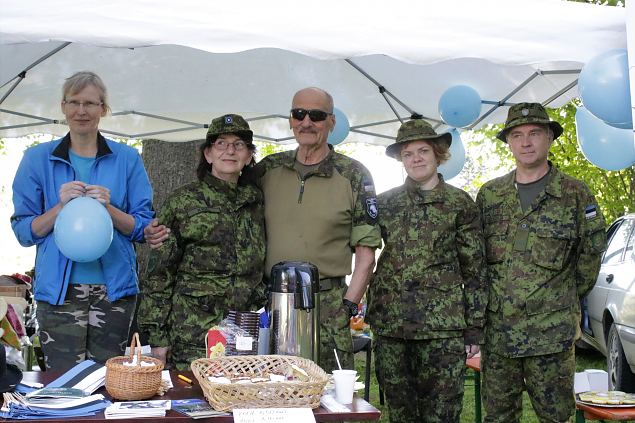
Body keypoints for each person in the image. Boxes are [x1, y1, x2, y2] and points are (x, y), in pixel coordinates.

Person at [146, 88, 382, 372]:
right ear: (291, 120)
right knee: (271, 391)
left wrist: (347, 308)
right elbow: (161, 271)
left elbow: (366, 253)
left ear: (331, 121)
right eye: (299, 114)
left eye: (316, 115)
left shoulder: (352, 174)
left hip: (324, 303)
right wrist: (154, 232)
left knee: (326, 397)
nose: (307, 121)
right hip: (266, 309)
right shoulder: (269, 171)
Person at [10, 71, 154, 369]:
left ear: (103, 109)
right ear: (63, 107)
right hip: (58, 294)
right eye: (74, 102)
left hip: (114, 292)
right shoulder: (37, 159)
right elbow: (24, 231)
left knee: (109, 381)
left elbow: (142, 228)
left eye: (90, 103)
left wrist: (109, 208)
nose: (81, 111)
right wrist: (61, 207)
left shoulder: (127, 159)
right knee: (62, 382)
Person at [476, 103, 607, 423]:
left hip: (551, 335)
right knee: (499, 418)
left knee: (556, 417)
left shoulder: (575, 193)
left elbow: (591, 252)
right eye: (517, 135)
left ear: (549, 138)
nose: (526, 142)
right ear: (508, 142)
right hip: (499, 335)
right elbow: (476, 258)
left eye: (535, 133)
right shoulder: (490, 195)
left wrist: (561, 297)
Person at [366, 118, 487, 423]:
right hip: (392, 325)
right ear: (401, 159)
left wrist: (473, 327)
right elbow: (362, 249)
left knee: (442, 413)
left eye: (423, 151)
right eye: (408, 154)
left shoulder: (460, 203)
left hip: (441, 329)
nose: (416, 159)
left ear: (438, 155)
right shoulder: (385, 203)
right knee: (400, 412)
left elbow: (474, 270)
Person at [137, 114, 266, 370]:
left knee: (239, 402)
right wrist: (158, 339)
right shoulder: (183, 202)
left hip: (244, 335)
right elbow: (158, 275)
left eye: (239, 144)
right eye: (221, 143)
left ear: (249, 156)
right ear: (207, 154)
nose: (230, 150)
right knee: (194, 407)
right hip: (193, 337)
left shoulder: (258, 203)